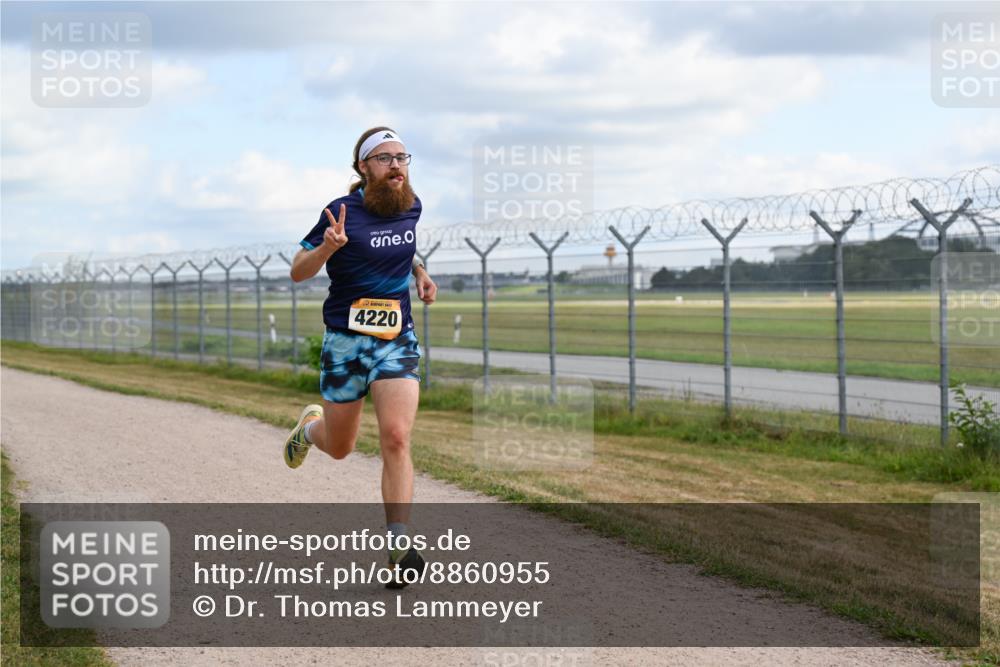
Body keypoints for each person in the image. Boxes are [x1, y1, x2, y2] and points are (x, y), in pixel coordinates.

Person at [284, 127, 437, 588]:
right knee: (340, 447)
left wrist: (420, 271)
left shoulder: (411, 205)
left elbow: (405, 243)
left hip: (396, 339)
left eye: (402, 157)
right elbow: (298, 271)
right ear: (363, 167)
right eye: (385, 158)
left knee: (396, 436)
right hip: (345, 343)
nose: (396, 165)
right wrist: (328, 247)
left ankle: (398, 544)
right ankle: (309, 430)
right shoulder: (340, 212)